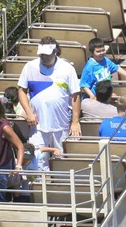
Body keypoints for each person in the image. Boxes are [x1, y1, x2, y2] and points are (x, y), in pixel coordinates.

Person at [17, 36, 81, 171]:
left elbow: (75, 95)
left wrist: (75, 122)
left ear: (55, 51)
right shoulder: (29, 67)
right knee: (38, 162)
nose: (43, 57)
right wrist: (29, 113)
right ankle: (40, 189)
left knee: (61, 162)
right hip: (37, 125)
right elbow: (22, 91)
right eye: (41, 54)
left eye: (46, 54)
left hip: (61, 125)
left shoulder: (67, 68)